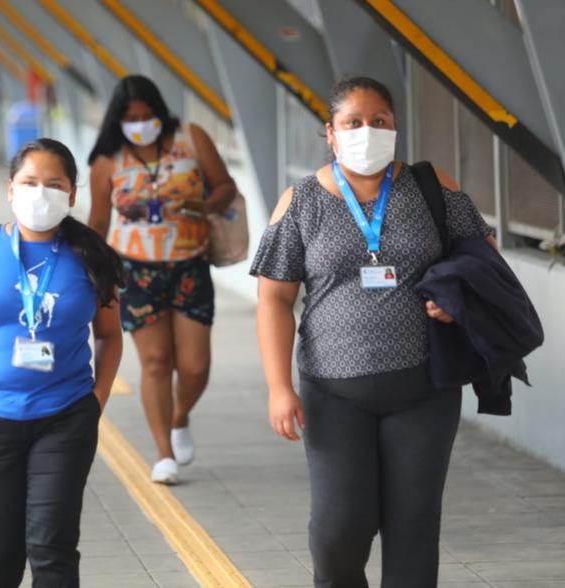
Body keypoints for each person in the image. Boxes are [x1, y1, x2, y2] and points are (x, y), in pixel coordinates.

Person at [250, 76, 495, 587]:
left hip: (424, 389)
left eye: (378, 121)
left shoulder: (433, 187)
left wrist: (457, 302)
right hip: (333, 391)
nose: (367, 131)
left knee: (413, 528)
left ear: (395, 127)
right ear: (331, 133)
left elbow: (483, 265)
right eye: (353, 122)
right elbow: (274, 299)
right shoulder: (301, 202)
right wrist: (278, 387)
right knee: (340, 528)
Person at [0, 138, 124, 587]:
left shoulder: (93, 257)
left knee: (52, 551)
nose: (41, 194)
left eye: (54, 184)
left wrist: (94, 402)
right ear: (10, 189)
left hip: (64, 419)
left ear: (72, 195)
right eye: (30, 182)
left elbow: (110, 337)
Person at [87, 75, 238, 485]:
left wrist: (203, 205)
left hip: (189, 264)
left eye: (147, 115)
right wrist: (88, 270)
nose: (140, 123)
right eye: (131, 117)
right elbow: (99, 220)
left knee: (194, 365)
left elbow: (226, 186)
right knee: (155, 362)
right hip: (135, 269)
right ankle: (163, 453)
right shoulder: (107, 160)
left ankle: (179, 414)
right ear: (118, 120)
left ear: (160, 111)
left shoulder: (191, 138)